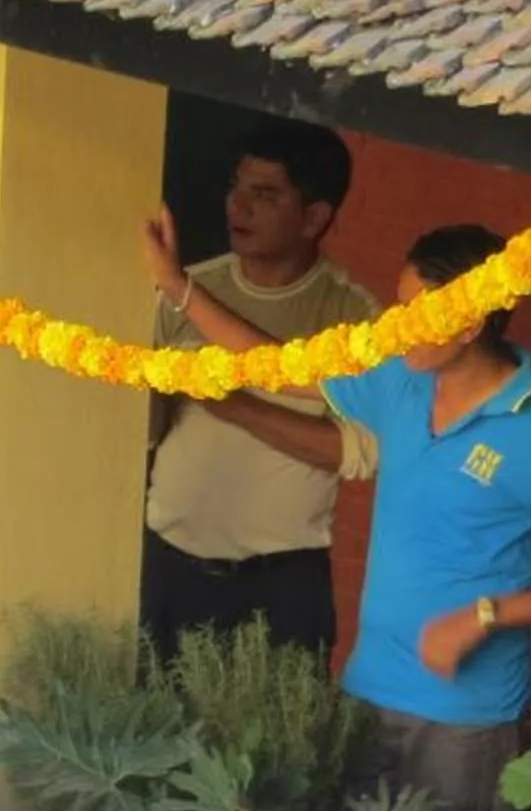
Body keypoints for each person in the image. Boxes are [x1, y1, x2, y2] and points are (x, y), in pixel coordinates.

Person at [150, 217, 531, 811]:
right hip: (368, 692)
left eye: (413, 311)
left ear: (468, 321)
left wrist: (489, 616)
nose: (393, 325)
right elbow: (278, 362)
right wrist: (178, 287)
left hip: (464, 720)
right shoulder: (400, 379)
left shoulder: (529, 422)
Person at [136, 119, 374, 661]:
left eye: (264, 195)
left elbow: (358, 453)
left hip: (282, 582)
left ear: (314, 217)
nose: (237, 207)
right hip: (171, 563)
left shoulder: (351, 317)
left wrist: (234, 405)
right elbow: (149, 427)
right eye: (235, 188)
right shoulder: (191, 290)